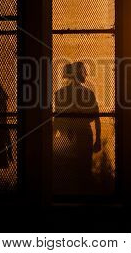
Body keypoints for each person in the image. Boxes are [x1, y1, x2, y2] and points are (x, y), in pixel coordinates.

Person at [53, 62, 101, 193]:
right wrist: (99, 139)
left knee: (69, 168)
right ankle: (84, 196)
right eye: (84, 71)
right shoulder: (88, 93)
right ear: (78, 73)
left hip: (66, 135)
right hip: (84, 134)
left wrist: (51, 138)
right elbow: (96, 117)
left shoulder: (59, 94)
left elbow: (57, 119)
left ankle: (71, 195)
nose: (86, 74)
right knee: (84, 168)